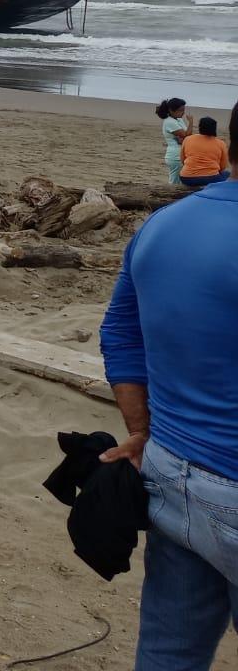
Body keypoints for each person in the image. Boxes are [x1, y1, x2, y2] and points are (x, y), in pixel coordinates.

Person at [99, 103, 238, 671]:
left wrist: (140, 432)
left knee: (167, 654)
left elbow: (120, 334)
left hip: (171, 471)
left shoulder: (162, 224)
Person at [177, 115, 230, 187]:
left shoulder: (188, 139)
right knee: (227, 174)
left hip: (186, 177)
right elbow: (223, 166)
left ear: (200, 127)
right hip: (210, 178)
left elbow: (183, 159)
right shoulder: (220, 143)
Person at [155, 98, 189, 186]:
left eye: (183, 110)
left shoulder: (178, 120)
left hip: (182, 153)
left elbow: (187, 136)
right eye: (181, 110)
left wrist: (184, 138)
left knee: (181, 181)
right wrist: (191, 122)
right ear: (171, 110)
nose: (183, 112)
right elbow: (186, 135)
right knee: (174, 182)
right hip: (175, 156)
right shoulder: (170, 122)